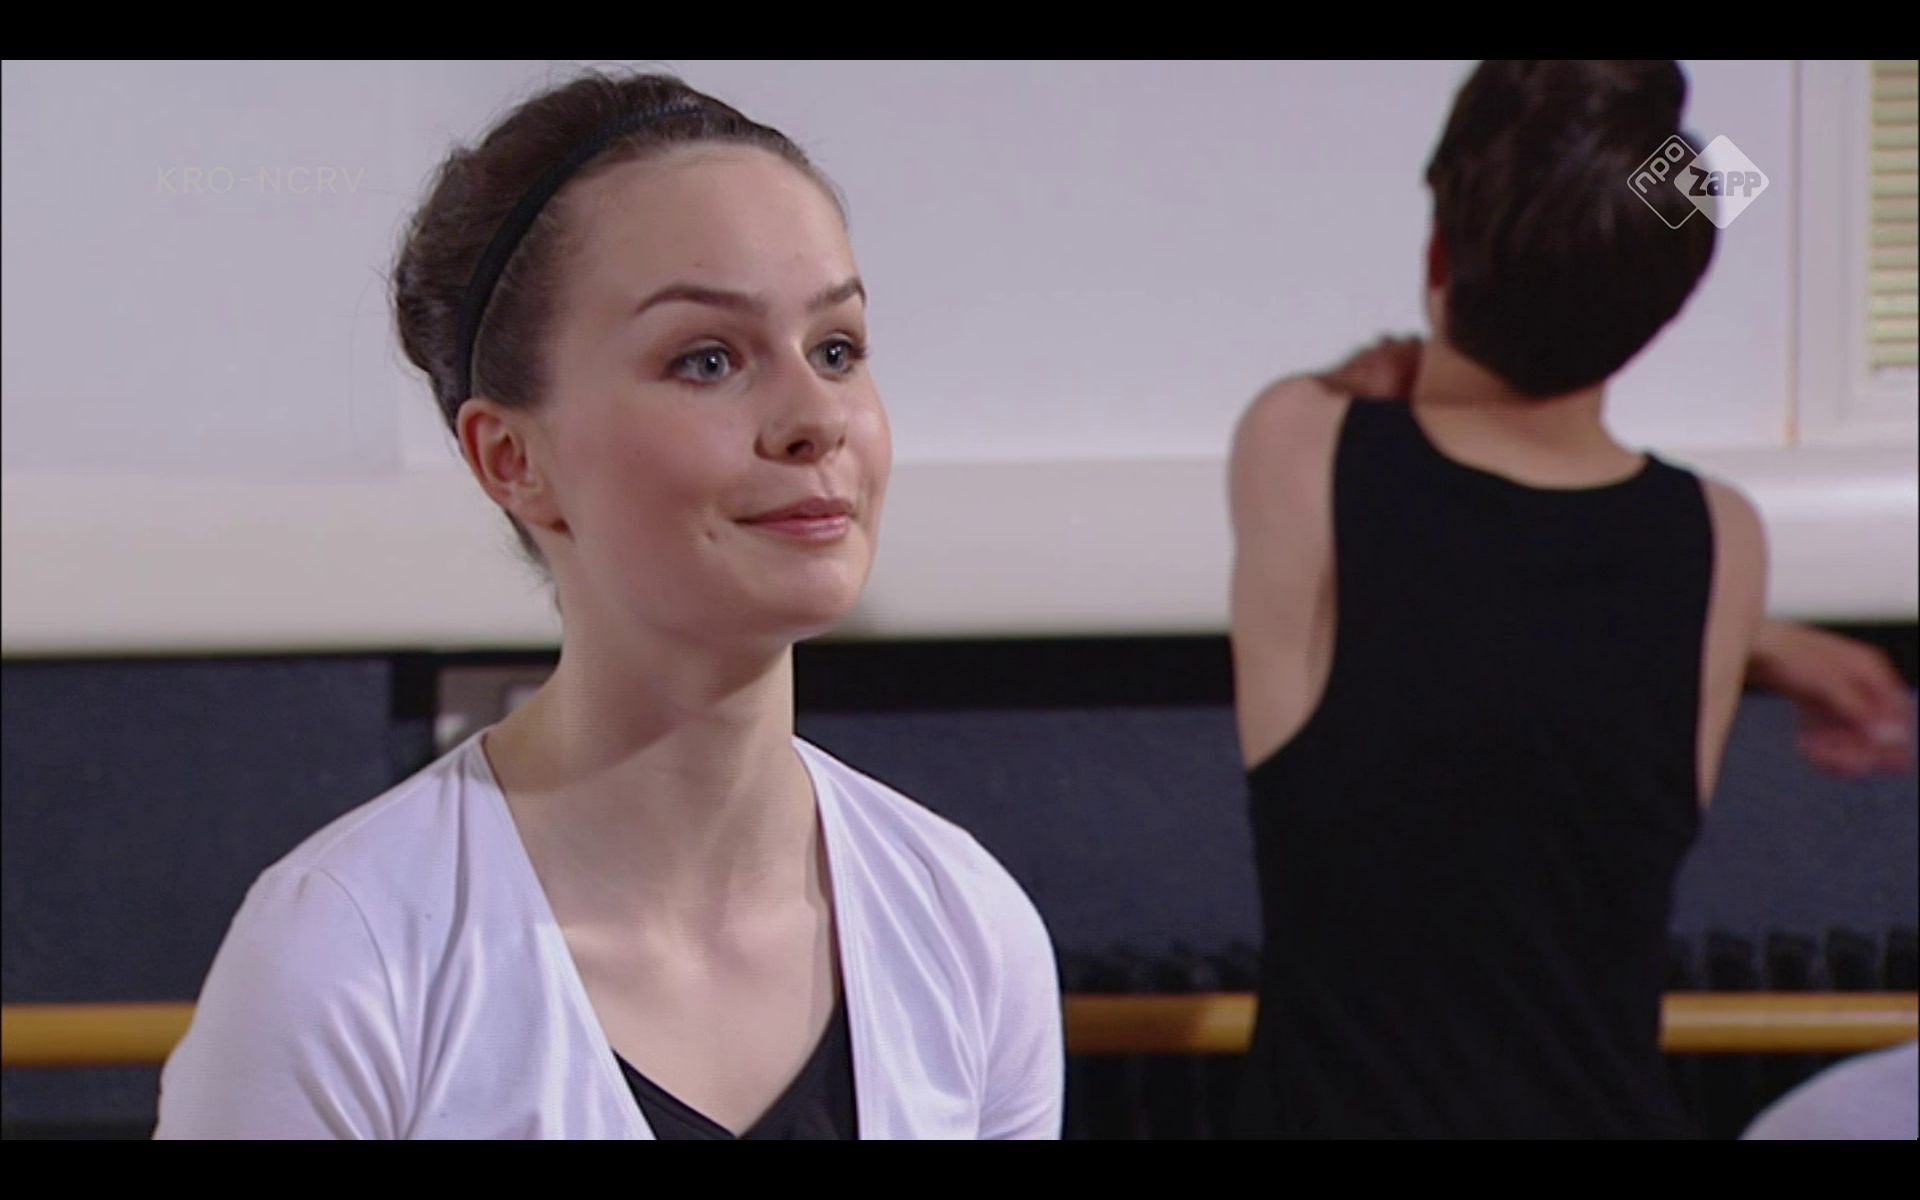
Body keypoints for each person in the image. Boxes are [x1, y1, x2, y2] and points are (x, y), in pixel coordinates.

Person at [154, 70, 1063, 1140]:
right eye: (708, 359)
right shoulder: (345, 957)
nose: (816, 417)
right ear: (513, 458)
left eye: (836, 350)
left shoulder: (965, 927)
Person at [1227, 59, 1910, 1139]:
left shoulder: (1302, 446)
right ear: (1662, 314)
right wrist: (1765, 640)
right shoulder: (1716, 543)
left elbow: (1474, 607)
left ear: (1437, 258)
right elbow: (1551, 622)